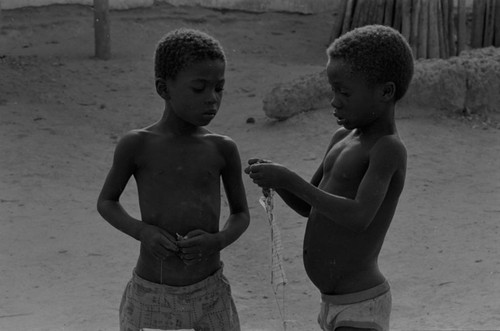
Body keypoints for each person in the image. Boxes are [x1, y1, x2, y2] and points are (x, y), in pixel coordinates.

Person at [246, 25, 414, 331]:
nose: (334, 101)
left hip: (361, 305)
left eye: (345, 92)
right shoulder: (342, 137)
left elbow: (360, 216)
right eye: (332, 90)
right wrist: (277, 179)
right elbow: (309, 205)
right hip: (329, 303)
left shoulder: (387, 148)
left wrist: (290, 178)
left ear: (385, 92)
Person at [97, 28, 250, 331]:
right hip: (153, 291)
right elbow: (107, 202)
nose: (212, 99)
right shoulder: (137, 144)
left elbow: (241, 214)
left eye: (219, 88)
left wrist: (217, 241)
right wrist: (142, 232)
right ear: (163, 88)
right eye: (199, 88)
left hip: (210, 292)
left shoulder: (222, 148)